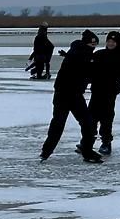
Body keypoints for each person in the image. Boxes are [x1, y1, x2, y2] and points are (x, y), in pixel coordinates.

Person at [40, 30, 102, 163]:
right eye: (92, 44)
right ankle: (46, 152)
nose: (93, 47)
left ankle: (86, 151)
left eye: (95, 45)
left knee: (86, 123)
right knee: (60, 124)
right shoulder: (79, 54)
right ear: (86, 43)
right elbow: (82, 70)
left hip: (74, 94)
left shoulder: (80, 52)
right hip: (65, 94)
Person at [89, 31, 120, 156]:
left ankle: (106, 142)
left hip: (109, 92)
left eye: (113, 42)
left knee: (106, 118)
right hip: (96, 90)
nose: (110, 43)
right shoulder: (99, 54)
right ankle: (88, 141)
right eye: (108, 41)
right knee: (91, 117)